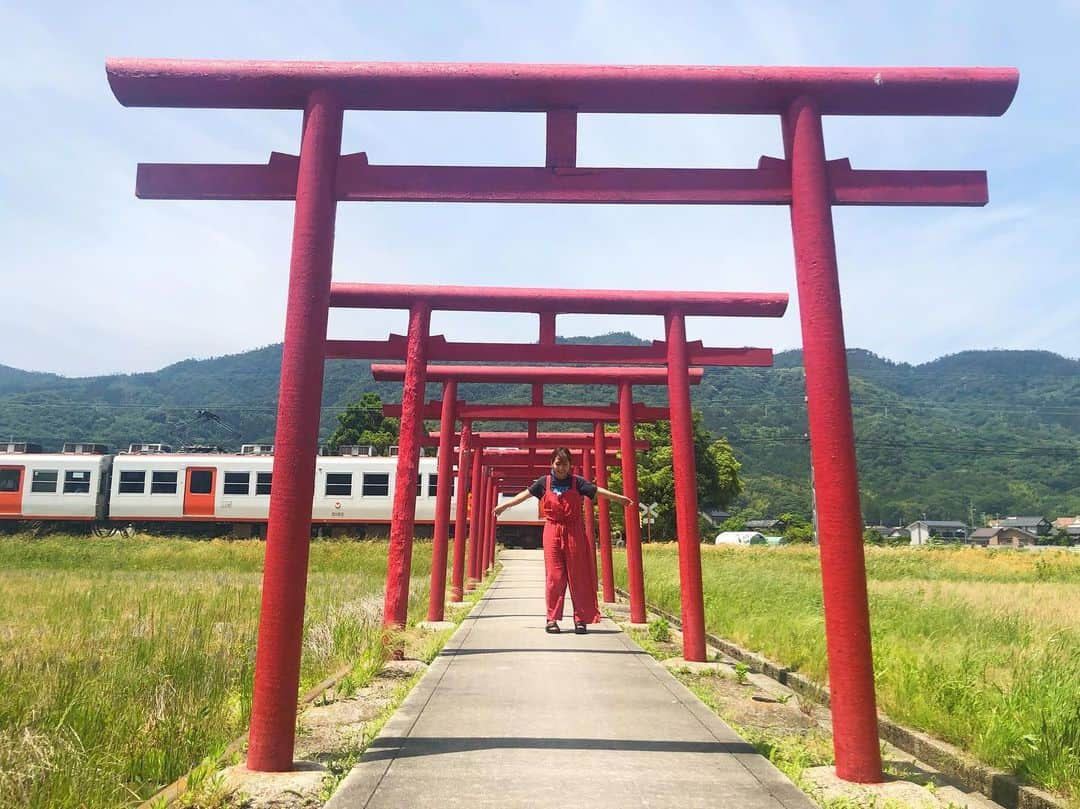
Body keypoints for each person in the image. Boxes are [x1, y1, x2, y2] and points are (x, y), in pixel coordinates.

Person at [494, 447, 632, 634]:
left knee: (579, 576)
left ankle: (581, 619)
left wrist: (619, 499)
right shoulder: (544, 482)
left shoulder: (578, 483)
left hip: (574, 531)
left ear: (570, 465)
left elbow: (597, 491)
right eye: (558, 463)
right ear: (552, 463)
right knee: (554, 577)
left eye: (565, 464)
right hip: (552, 530)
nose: (561, 468)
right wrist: (504, 506)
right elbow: (523, 495)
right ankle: (552, 619)